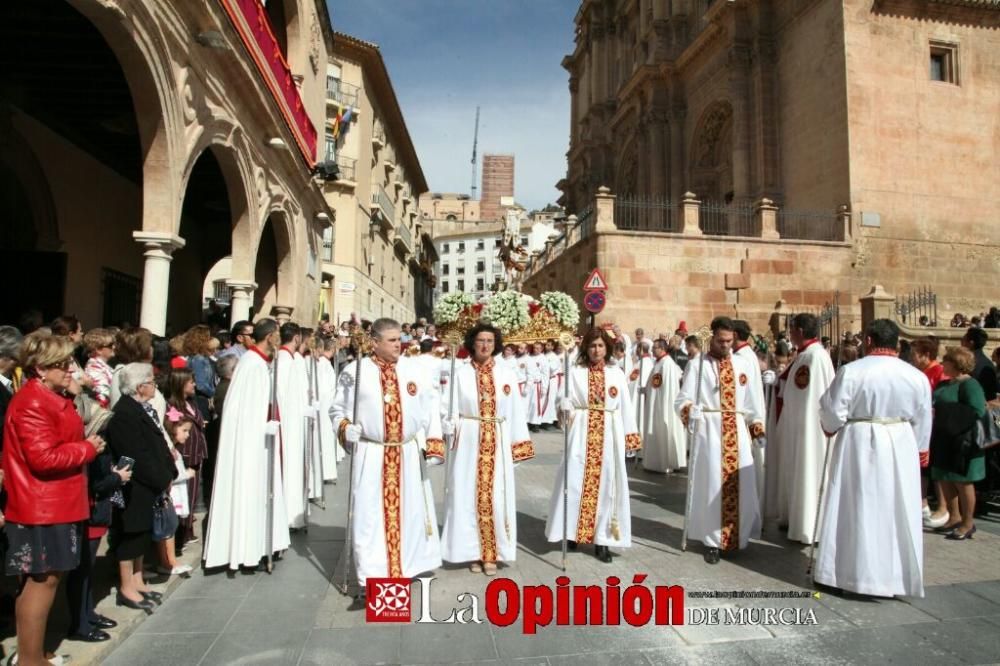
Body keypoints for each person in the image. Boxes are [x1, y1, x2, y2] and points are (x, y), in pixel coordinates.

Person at [3, 332, 103, 665]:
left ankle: (34, 653)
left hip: (53, 503)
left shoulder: (49, 396)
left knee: (44, 582)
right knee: (41, 583)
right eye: (61, 366)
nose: (69, 371)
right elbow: (43, 459)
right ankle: (31, 660)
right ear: (41, 369)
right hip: (42, 506)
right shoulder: (33, 401)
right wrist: (87, 449)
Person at [814, 319, 931, 598]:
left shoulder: (852, 371)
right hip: (901, 442)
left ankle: (852, 574)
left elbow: (832, 413)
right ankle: (894, 577)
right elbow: (924, 418)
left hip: (860, 441)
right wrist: (919, 451)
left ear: (868, 341)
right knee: (894, 509)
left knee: (858, 506)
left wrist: (830, 426)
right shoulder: (916, 376)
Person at [331, 318, 445, 592]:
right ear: (375, 343)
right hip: (372, 453)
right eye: (392, 340)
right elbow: (337, 410)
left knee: (411, 513)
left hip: (406, 453)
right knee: (370, 516)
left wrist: (434, 441)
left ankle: (408, 565)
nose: (399, 344)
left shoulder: (414, 369)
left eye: (399, 339)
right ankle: (375, 573)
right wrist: (347, 429)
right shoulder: (355, 372)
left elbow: (430, 407)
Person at [441, 324, 534, 575]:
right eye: (481, 340)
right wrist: (449, 423)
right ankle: (472, 551)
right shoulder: (458, 374)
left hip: (498, 441)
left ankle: (492, 553)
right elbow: (446, 406)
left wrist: (518, 446)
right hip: (469, 439)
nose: (485, 345)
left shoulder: (506, 375)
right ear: (472, 343)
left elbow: (515, 411)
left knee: (496, 496)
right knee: (466, 494)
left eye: (490, 341)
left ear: (496, 344)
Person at [545, 328, 642, 563]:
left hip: (609, 434)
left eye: (600, 345)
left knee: (608, 487)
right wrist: (564, 404)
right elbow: (561, 399)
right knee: (575, 482)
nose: (596, 350)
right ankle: (572, 533)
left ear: (607, 348)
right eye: (592, 346)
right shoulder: (575, 372)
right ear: (585, 348)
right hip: (581, 431)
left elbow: (625, 406)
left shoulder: (616, 373)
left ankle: (603, 540)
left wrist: (630, 436)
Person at [677, 317, 766, 564]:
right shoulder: (698, 365)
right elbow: (682, 399)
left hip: (736, 431)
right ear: (712, 338)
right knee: (712, 485)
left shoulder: (742, 365)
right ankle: (712, 541)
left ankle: (739, 537)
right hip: (710, 431)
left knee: (741, 483)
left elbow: (751, 404)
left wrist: (757, 428)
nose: (725, 345)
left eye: (729, 341)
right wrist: (689, 410)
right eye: (720, 341)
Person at [203, 319, 290, 572]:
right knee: (251, 488)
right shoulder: (252, 365)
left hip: (261, 442)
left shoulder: (260, 362)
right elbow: (242, 412)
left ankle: (262, 544)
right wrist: (262, 426)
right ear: (271, 336)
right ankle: (247, 549)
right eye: (277, 335)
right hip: (251, 444)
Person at [106, 362, 177, 612]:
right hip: (135, 486)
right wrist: (161, 477)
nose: (154, 387)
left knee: (142, 534)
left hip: (149, 485)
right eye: (151, 383)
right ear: (139, 387)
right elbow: (138, 454)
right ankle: (127, 585)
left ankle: (137, 579)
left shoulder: (141, 408)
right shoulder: (125, 414)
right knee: (131, 535)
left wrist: (168, 471)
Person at [773, 314, 835, 544]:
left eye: (791, 330)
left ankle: (807, 525)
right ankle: (794, 517)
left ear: (799, 330)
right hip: (799, 427)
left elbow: (807, 396)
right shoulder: (808, 355)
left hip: (807, 429)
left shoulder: (813, 357)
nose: (789, 335)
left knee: (808, 471)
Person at [929, 347, 986, 540]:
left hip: (962, 440)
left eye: (946, 361)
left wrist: (949, 415)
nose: (942, 364)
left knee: (962, 482)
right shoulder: (946, 384)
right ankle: (954, 517)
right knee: (945, 477)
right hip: (943, 438)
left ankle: (968, 523)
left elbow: (977, 410)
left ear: (956, 364)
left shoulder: (970, 385)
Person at [911, 338, 951, 529]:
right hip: (923, 424)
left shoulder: (938, 372)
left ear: (926, 355)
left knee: (933, 468)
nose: (913, 359)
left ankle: (943, 507)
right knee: (923, 468)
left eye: (915, 355)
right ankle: (922, 502)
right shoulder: (922, 372)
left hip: (934, 425)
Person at [165, 368, 207, 550]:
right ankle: (180, 535)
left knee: (192, 494)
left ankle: (188, 529)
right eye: (191, 382)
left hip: (197, 453)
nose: (194, 385)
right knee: (183, 495)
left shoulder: (191, 403)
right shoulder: (172, 407)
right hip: (186, 455)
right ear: (182, 383)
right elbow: (174, 428)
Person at [276, 323, 309, 529]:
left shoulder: (288, 359)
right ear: (296, 338)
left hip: (294, 421)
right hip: (287, 425)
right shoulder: (285, 360)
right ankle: (288, 516)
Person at [642, 338, 686, 473]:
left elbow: (667, 389)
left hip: (663, 405)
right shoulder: (658, 363)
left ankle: (664, 462)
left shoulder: (667, 364)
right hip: (655, 403)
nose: (652, 350)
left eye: (655, 347)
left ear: (662, 349)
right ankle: (655, 462)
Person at [183, 324, 216, 422]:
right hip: (200, 401)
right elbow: (201, 385)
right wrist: (215, 393)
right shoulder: (199, 359)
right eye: (208, 337)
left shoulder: (196, 357)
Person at [961, 327, 998, 401]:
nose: (961, 343)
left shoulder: (968, 363)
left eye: (963, 340)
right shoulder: (988, 363)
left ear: (971, 343)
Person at [82, 328, 115, 408]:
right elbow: (103, 396)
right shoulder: (94, 368)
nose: (114, 347)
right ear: (98, 349)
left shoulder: (101, 365)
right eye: (110, 345)